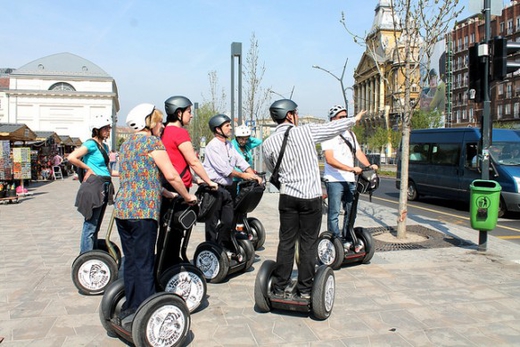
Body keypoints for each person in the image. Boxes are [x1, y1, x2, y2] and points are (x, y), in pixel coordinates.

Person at [262, 99, 364, 300]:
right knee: (308, 243)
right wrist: (354, 119)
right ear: (289, 115)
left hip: (287, 198)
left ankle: (279, 286)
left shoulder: (268, 143)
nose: (297, 116)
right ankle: (305, 288)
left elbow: (272, 169)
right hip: (310, 198)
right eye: (295, 113)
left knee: (286, 242)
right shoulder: (305, 132)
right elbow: (331, 127)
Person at [114, 103, 197, 325]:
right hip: (143, 211)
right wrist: (187, 196)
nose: (162, 125)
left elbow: (136, 176)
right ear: (148, 123)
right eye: (159, 121)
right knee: (144, 262)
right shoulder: (152, 142)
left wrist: (165, 193)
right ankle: (145, 311)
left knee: (131, 261)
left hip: (123, 210)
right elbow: (171, 174)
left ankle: (130, 306)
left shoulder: (127, 144)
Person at [159, 95, 218, 267]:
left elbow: (176, 161)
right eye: (189, 112)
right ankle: (172, 265)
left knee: (167, 230)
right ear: (179, 113)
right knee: (176, 229)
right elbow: (193, 161)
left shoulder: (164, 132)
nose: (191, 116)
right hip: (177, 188)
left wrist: (195, 179)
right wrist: (209, 181)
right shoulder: (179, 132)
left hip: (168, 185)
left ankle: (167, 262)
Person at [321, 105, 378, 251]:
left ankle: (347, 238)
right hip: (334, 180)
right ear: (333, 119)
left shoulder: (351, 135)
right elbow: (330, 159)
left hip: (350, 179)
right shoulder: (328, 134)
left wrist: (369, 165)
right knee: (334, 213)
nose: (344, 120)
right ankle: (336, 241)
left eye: (346, 117)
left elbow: (358, 153)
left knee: (351, 210)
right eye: (341, 117)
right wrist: (351, 169)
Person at [203, 114, 261, 253]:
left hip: (226, 189)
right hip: (213, 189)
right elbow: (225, 170)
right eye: (227, 125)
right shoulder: (212, 146)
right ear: (217, 129)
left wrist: (252, 174)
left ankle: (224, 247)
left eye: (230, 125)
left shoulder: (229, 145)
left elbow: (240, 161)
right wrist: (244, 175)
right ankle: (211, 250)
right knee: (212, 223)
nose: (230, 128)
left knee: (228, 221)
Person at [68, 115, 116, 254]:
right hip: (94, 186)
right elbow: (72, 157)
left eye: (109, 127)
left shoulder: (105, 147)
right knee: (90, 225)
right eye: (106, 128)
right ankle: (86, 257)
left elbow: (108, 170)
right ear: (97, 129)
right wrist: (88, 168)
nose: (108, 130)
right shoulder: (90, 144)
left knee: (96, 226)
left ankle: (92, 253)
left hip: (104, 185)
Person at [230, 124, 263, 196]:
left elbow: (259, 141)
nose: (244, 141)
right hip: (235, 179)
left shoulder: (247, 146)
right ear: (237, 137)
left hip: (246, 178)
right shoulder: (231, 145)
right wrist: (245, 174)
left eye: (246, 139)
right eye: (242, 139)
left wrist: (248, 136)